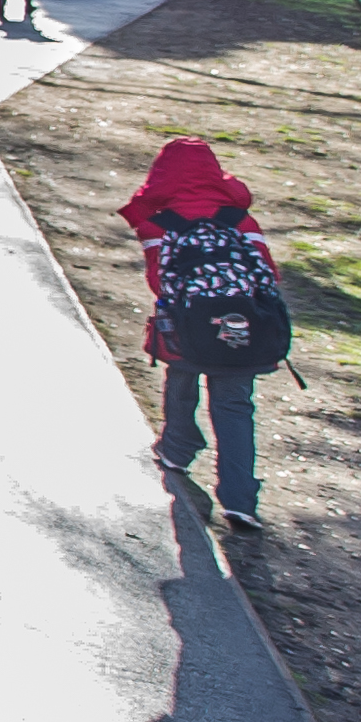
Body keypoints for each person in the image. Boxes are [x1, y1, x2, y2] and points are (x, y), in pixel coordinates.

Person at [127, 136, 283, 533]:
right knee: (234, 408)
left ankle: (177, 449)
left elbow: (159, 280)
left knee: (181, 384)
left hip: (188, 327)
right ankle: (240, 500)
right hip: (244, 327)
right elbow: (270, 275)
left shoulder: (157, 224)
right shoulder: (241, 221)